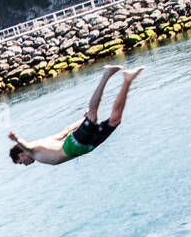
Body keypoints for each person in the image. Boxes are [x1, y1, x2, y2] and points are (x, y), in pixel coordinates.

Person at [8, 65, 143, 166]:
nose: (24, 164)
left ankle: (106, 75)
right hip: (85, 147)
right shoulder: (42, 142)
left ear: (21, 154)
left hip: (74, 146)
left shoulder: (31, 150)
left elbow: (24, 145)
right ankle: (127, 79)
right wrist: (82, 120)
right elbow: (66, 131)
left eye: (21, 162)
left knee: (93, 116)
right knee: (114, 120)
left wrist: (16, 138)